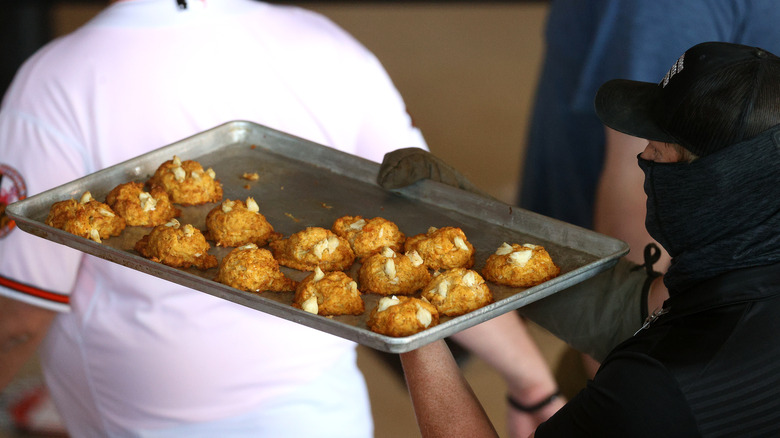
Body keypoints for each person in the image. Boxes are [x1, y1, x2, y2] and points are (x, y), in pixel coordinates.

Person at [0, 1, 564, 436]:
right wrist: (533, 384)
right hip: (325, 415)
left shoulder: (53, 81)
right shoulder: (330, 47)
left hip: (141, 420)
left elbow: (18, 319)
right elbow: (434, 256)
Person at [400, 41, 780, 437]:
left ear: (713, 184)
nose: (643, 156)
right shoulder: (751, 265)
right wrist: (477, 230)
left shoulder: (657, 387)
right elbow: (633, 310)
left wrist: (412, 329)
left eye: (658, 148)